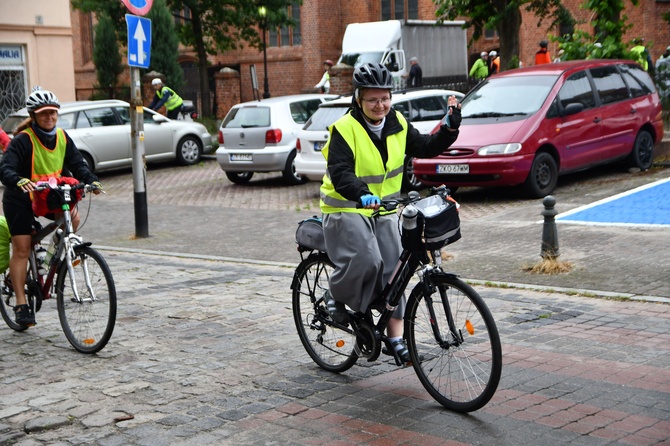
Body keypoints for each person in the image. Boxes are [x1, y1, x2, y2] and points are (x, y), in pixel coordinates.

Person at [320, 62, 461, 364]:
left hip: (382, 208)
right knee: (368, 260)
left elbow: (424, 145)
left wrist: (449, 128)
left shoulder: (396, 122)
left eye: (384, 98)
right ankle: (335, 294)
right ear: (359, 99)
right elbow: (341, 173)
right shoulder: (345, 129)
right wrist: (362, 194)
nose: (380, 105)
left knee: (395, 271)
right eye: (372, 99)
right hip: (346, 207)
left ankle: (395, 339)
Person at [0, 88, 102, 327]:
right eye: (44, 113)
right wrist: (18, 179)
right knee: (22, 249)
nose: (50, 117)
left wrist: (91, 180)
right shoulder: (23, 140)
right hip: (20, 198)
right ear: (34, 116)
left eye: (53, 113)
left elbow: (78, 165)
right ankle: (21, 304)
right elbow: (5, 168)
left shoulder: (63, 138)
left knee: (73, 219)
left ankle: (51, 258)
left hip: (47, 194)